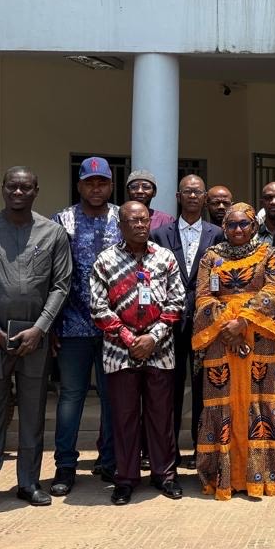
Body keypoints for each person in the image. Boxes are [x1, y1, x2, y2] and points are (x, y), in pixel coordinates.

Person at [0, 167, 72, 516]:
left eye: (25, 187)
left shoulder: (52, 233)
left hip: (35, 339)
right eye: (12, 186)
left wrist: (40, 329)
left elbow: (61, 285)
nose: (18, 192)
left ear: (36, 190)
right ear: (2, 188)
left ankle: (29, 483)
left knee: (33, 414)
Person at [90, 201, 186, 505]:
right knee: (124, 418)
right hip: (120, 353)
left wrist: (152, 338)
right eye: (133, 221)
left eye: (144, 220)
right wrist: (131, 339)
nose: (140, 225)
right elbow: (98, 307)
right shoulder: (105, 260)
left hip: (160, 350)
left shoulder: (165, 258)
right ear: (120, 225)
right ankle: (126, 478)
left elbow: (177, 302)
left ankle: (164, 475)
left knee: (161, 416)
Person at [192, 204, 275, 499]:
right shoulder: (211, 256)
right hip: (220, 337)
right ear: (224, 227)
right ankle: (224, 477)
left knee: (260, 400)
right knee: (221, 400)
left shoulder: (267, 253)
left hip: (259, 336)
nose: (237, 229)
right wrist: (228, 327)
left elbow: (273, 291)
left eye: (243, 224)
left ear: (253, 226)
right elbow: (203, 296)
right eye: (232, 225)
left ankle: (261, 476)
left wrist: (243, 322)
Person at [50, 156, 121, 497]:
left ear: (111, 185)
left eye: (102, 182)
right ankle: (64, 465)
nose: (96, 188)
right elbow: (51, 274)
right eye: (90, 182)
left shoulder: (122, 218)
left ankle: (109, 461)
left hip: (115, 328)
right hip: (72, 326)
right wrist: (51, 324)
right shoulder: (62, 220)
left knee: (112, 398)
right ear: (79, 185)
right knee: (71, 398)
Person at [151, 175, 222, 457]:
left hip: (206, 321)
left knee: (204, 385)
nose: (193, 196)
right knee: (171, 386)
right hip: (170, 321)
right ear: (178, 197)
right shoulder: (160, 234)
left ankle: (200, 448)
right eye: (187, 192)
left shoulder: (217, 234)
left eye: (198, 192)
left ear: (205, 198)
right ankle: (169, 451)